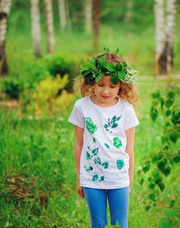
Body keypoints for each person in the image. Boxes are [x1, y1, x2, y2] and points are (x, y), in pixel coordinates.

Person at [68, 50, 139, 228]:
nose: (106, 91)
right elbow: (79, 144)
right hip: (91, 177)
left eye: (112, 86)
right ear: (92, 82)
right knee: (98, 224)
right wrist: (79, 178)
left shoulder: (126, 109)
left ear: (121, 86)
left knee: (119, 224)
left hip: (118, 177)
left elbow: (129, 148)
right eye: (100, 85)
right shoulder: (81, 107)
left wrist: (129, 180)